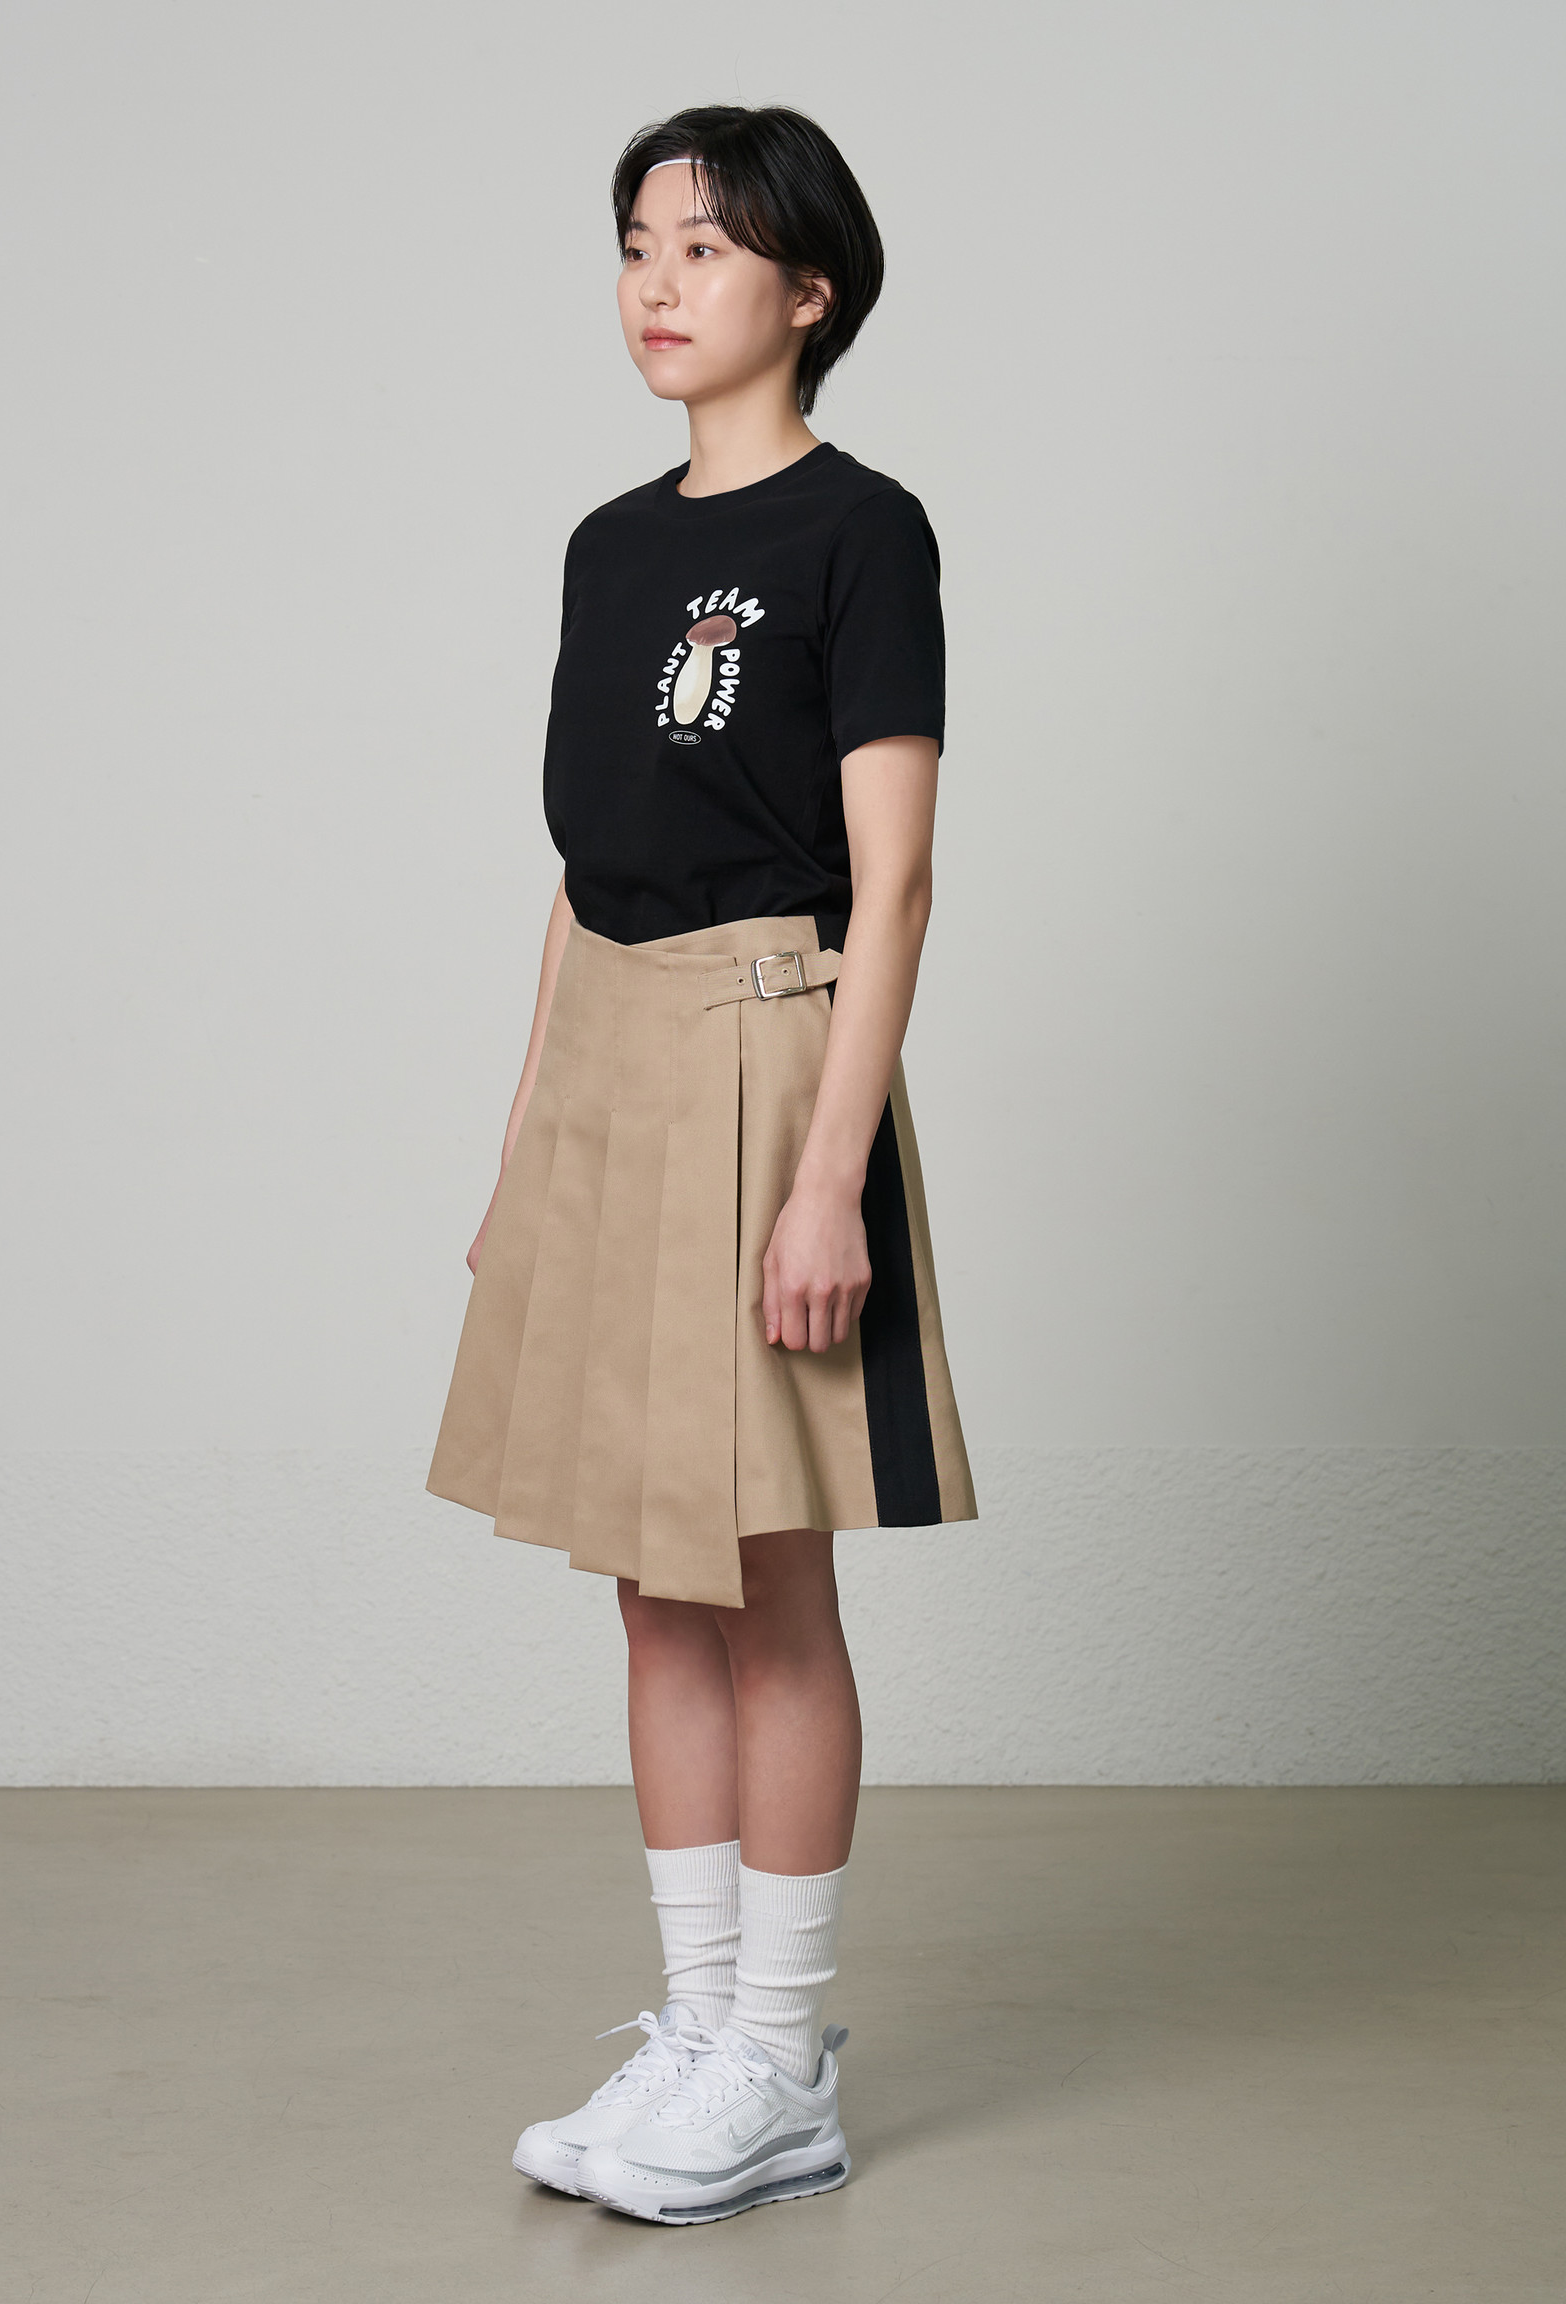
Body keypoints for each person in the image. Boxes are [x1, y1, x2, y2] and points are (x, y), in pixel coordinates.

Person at [427, 102, 975, 2225]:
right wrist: (523, 1151)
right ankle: (693, 2026)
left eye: (708, 249)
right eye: (637, 245)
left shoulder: (864, 531)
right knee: (651, 1579)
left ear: (808, 291)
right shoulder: (604, 545)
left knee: (767, 1574)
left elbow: (894, 880)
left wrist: (829, 1180)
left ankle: (783, 2055)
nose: (658, 284)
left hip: (767, 1052)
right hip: (612, 1065)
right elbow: (584, 877)